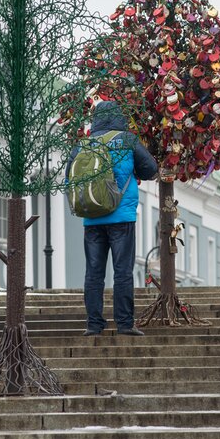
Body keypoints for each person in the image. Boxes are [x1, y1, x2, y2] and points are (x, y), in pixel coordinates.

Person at [67, 101, 158, 336]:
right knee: (123, 271)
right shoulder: (127, 140)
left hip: (92, 218)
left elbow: (70, 178)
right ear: (119, 116)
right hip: (121, 217)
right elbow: (150, 168)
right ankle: (125, 324)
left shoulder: (83, 144)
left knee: (94, 273)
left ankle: (94, 325)